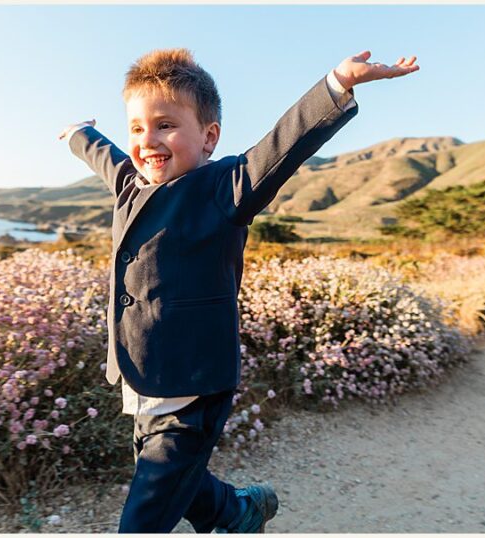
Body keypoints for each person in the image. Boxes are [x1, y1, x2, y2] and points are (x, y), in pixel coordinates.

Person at [57, 49, 418, 533]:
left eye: (165, 125)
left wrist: (336, 84)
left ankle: (230, 511)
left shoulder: (224, 187)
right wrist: (80, 134)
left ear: (209, 137)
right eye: (138, 128)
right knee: (175, 478)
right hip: (140, 374)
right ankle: (237, 510)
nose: (148, 141)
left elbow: (282, 146)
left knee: (146, 511)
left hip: (194, 384)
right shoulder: (130, 186)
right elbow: (107, 158)